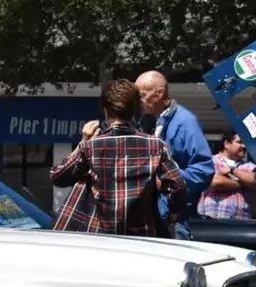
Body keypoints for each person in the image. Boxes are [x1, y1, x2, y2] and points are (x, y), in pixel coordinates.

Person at [50, 78, 185, 237]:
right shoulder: (156, 145)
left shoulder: (91, 146)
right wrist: (172, 215)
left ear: (106, 110)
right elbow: (178, 186)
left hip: (99, 238)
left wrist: (84, 140)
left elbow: (58, 177)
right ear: (135, 109)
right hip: (142, 237)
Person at [135, 70, 215, 239]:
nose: (139, 101)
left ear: (159, 93)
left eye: (142, 95)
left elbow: (204, 170)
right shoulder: (146, 122)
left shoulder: (185, 122)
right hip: (149, 218)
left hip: (174, 221)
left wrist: (165, 182)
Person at [197, 129, 256, 220]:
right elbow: (216, 182)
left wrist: (232, 170)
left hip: (241, 222)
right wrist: (243, 183)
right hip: (213, 218)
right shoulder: (211, 161)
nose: (244, 146)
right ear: (227, 144)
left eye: (245, 143)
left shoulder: (249, 166)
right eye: (240, 142)